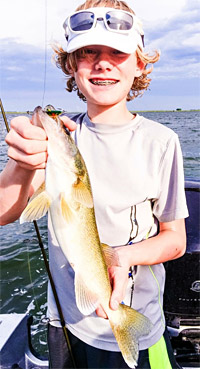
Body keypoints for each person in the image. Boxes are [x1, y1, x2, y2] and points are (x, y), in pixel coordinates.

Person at [0, 0, 189, 368]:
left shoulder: (162, 141)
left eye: (117, 52)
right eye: (88, 52)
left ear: (139, 64)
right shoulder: (56, 141)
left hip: (135, 315)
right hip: (65, 322)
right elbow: (5, 213)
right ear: (71, 65)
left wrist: (120, 257)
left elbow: (176, 239)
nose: (103, 63)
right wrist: (20, 168)